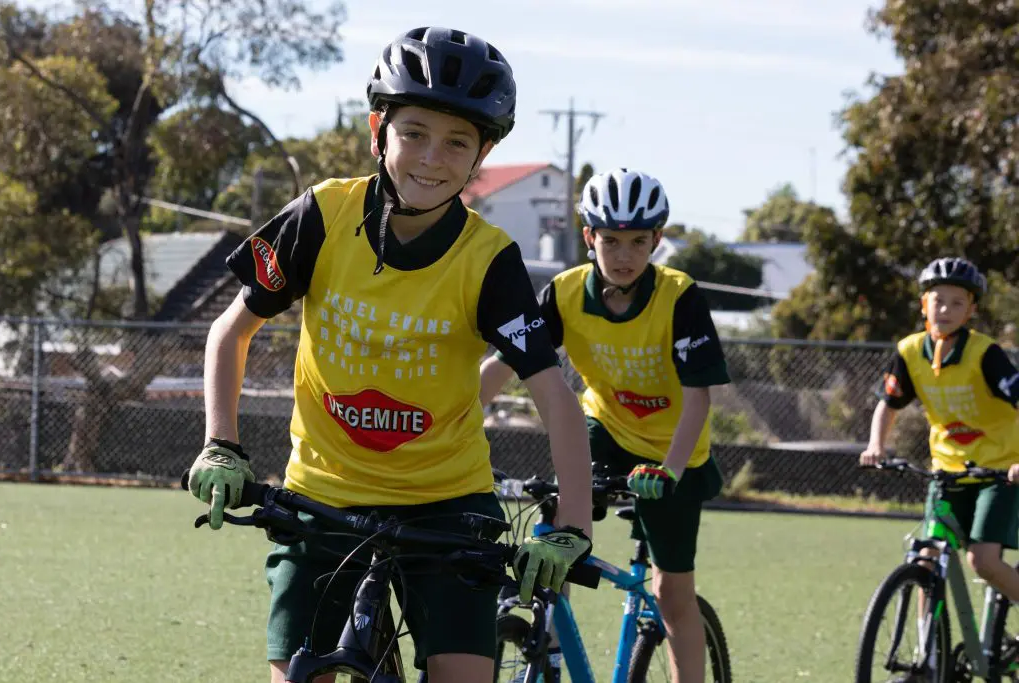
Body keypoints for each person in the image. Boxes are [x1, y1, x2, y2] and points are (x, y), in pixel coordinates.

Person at [185, 26, 593, 683]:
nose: (432, 157)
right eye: (414, 132)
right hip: (323, 499)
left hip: (447, 506)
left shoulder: (489, 260)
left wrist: (573, 525)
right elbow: (230, 332)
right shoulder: (320, 215)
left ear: (482, 153)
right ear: (379, 128)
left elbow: (553, 394)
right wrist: (221, 444)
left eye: (457, 141)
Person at [481, 168, 730, 683]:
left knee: (671, 593)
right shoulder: (565, 292)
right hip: (605, 430)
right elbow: (504, 364)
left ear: (657, 241)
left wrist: (670, 470)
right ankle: (546, 650)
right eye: (611, 240)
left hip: (674, 451)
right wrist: (454, 422)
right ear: (589, 237)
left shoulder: (679, 296)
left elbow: (698, 398)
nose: (623, 255)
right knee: (552, 543)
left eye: (639, 242)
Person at [860, 257, 1019, 600]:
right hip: (945, 471)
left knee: (984, 562)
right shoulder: (910, 351)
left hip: (999, 472)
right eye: (938, 300)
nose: (945, 309)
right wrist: (876, 445)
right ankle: (927, 652)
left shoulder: (985, 353)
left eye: (957, 302)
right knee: (925, 559)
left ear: (970, 311)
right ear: (923, 305)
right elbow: (888, 404)